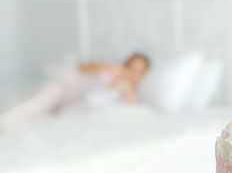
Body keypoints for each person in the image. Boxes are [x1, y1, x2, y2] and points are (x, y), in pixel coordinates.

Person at [0, 54, 149, 127]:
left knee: (33, 121)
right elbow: (79, 68)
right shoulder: (107, 73)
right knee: (33, 106)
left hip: (64, 113)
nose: (132, 73)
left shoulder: (127, 96)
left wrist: (125, 87)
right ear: (124, 65)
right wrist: (104, 67)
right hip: (61, 91)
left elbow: (134, 110)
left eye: (138, 71)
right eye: (130, 67)